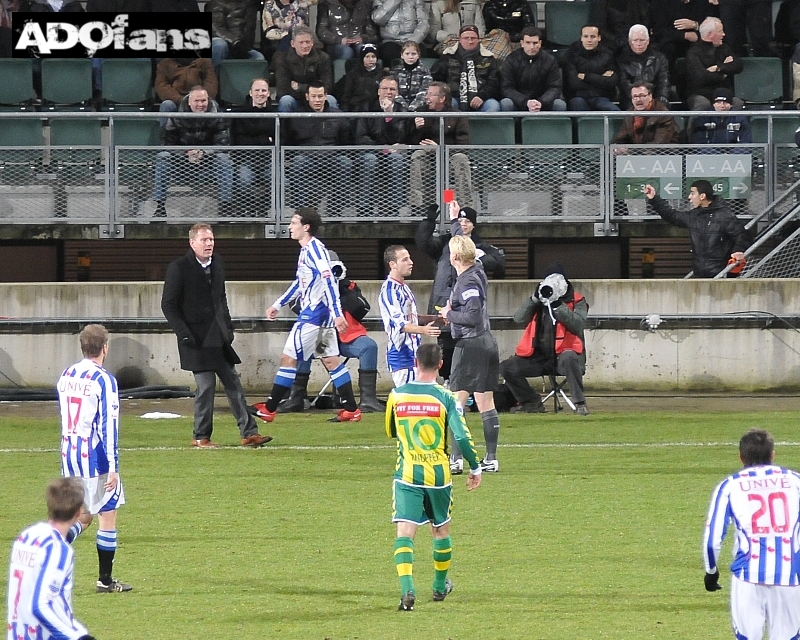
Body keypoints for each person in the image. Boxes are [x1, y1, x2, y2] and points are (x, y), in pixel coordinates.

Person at [385, 342, 482, 612]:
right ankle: (439, 587)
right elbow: (461, 436)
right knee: (440, 530)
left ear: (415, 362)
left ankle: (407, 589)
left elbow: (391, 431)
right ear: (441, 365)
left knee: (405, 531)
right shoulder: (446, 397)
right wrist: (475, 467)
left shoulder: (397, 395)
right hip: (438, 475)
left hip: (407, 473)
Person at [161, 223, 273, 448]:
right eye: (204, 240)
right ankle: (201, 436)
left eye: (211, 239)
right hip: (194, 339)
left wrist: (228, 327)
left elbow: (221, 299)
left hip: (217, 337)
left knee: (233, 382)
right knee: (206, 387)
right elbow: (168, 305)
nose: (209, 244)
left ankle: (249, 433)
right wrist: (184, 334)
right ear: (192, 243)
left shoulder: (218, 263)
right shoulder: (178, 268)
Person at [252, 207, 363, 423]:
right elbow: (301, 283)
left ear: (306, 227)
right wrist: (278, 304)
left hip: (314, 315)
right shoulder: (308, 250)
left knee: (289, 358)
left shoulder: (314, 250)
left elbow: (329, 279)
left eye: (293, 223)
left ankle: (270, 408)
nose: (289, 227)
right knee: (331, 360)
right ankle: (351, 409)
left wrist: (338, 313)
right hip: (323, 316)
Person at [703, 428, 800, 640]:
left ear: (741, 457)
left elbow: (712, 541)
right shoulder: (795, 482)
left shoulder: (730, 486)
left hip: (748, 578)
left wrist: (711, 571)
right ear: (772, 454)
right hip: (789, 577)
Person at [56, 324, 132, 593]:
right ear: (105, 348)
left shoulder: (66, 374)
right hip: (95, 457)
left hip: (69, 452)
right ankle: (105, 580)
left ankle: (48, 556)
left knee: (82, 516)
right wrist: (113, 467)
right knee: (107, 515)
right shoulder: (104, 380)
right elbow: (108, 427)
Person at [279, 251, 384, 413]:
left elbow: (362, 309)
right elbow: (295, 305)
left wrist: (342, 290)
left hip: (344, 337)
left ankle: (368, 400)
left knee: (369, 346)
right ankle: (296, 399)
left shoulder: (348, 286)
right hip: (319, 337)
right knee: (301, 347)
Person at [415, 200, 505, 382]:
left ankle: (465, 387)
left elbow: (498, 263)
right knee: (446, 346)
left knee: (466, 347)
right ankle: (450, 381)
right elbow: (424, 244)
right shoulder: (445, 243)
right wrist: (428, 222)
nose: (463, 225)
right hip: (443, 303)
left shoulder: (478, 249)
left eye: (467, 222)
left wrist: (479, 259)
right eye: (460, 222)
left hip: (463, 308)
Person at [439, 234, 502, 474]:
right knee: (486, 401)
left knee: (457, 403)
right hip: (486, 341)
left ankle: (455, 460)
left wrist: (449, 314)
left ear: (454, 257)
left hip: (471, 343)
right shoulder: (477, 271)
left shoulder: (467, 282)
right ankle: (491, 458)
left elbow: (472, 315)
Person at [7, 477, 98, 640]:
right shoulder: (58, 549)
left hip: (18, 633)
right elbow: (40, 606)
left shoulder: (26, 537)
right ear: (78, 512)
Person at [499, 264, 590, 415]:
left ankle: (580, 404)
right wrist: (534, 299)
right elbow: (519, 318)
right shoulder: (540, 300)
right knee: (507, 367)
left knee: (569, 356)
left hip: (565, 358)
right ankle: (531, 403)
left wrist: (557, 305)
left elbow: (578, 324)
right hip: (538, 357)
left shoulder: (578, 301)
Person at [151, 86, 234, 218]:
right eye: (197, 101)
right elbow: (166, 143)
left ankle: (226, 207)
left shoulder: (218, 117)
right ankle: (159, 207)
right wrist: (186, 152)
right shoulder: (176, 116)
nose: (200, 104)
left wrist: (203, 152)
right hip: (181, 165)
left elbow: (223, 144)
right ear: (189, 101)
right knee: (163, 156)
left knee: (223, 159)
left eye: (203, 101)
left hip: (208, 165)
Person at [644, 179, 750, 277]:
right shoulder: (694, 216)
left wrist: (738, 251)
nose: (689, 197)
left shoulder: (724, 216)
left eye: (692, 193)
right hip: (700, 275)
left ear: (702, 196)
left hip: (722, 276)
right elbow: (672, 215)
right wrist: (654, 199)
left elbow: (743, 236)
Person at [283, 82, 354, 213]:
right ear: (307, 96)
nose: (317, 100)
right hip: (306, 158)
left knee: (345, 162)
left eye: (320, 96)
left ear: (326, 96)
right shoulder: (297, 117)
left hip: (332, 158)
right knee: (297, 162)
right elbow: (288, 142)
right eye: (314, 96)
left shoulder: (338, 116)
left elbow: (347, 142)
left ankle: (335, 209)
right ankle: (302, 211)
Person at [379, 244, 442, 386]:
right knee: (407, 400)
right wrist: (424, 330)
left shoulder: (403, 287)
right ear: (392, 264)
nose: (411, 262)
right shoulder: (389, 291)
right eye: (405, 259)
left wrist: (434, 319)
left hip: (413, 352)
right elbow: (399, 324)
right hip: (401, 352)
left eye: (410, 258)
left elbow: (411, 317)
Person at [409, 82, 474, 208]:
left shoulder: (457, 116)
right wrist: (416, 128)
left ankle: (465, 207)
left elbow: (463, 145)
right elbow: (411, 142)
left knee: (461, 159)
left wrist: (439, 148)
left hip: (449, 158)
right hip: (428, 158)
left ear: (442, 98)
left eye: (431, 95)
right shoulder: (420, 112)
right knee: (417, 155)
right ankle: (416, 206)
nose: (427, 97)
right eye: (427, 94)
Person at [356, 76, 414, 214]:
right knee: (370, 160)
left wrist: (389, 115)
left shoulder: (402, 111)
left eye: (392, 89)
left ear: (397, 92)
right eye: (385, 88)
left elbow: (400, 137)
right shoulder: (366, 107)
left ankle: (393, 208)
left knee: (398, 160)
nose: (388, 92)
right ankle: (364, 208)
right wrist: (381, 148)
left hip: (393, 153)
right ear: (378, 91)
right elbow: (361, 136)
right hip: (371, 151)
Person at [431, 24, 502, 112]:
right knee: (447, 104)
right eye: (466, 38)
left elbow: (494, 83)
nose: (470, 41)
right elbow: (437, 80)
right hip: (454, 97)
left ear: (479, 40)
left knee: (493, 105)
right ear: (460, 39)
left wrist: (481, 96)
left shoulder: (488, 58)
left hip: (481, 98)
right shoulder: (447, 57)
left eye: (473, 38)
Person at [499, 26, 566, 112]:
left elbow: (555, 87)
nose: (532, 46)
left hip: (543, 102)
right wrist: (526, 102)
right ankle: (515, 126)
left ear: (540, 43)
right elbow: (507, 88)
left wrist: (541, 102)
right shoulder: (511, 60)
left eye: (535, 43)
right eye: (528, 43)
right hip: (519, 102)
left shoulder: (550, 60)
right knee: (506, 103)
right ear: (522, 43)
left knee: (560, 104)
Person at [685, 17, 743, 111]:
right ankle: (694, 126)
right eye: (720, 31)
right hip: (702, 94)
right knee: (703, 103)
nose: (723, 34)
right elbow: (702, 78)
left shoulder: (724, 48)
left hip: (724, 94)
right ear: (710, 34)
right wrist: (724, 74)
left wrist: (719, 67)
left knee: (737, 103)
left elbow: (738, 65)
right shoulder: (693, 52)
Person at [274, 26, 337, 113]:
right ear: (293, 44)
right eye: (301, 42)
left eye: (307, 42)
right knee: (286, 100)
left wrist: (299, 87)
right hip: (295, 100)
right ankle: (283, 127)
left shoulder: (323, 58)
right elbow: (283, 90)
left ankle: (331, 126)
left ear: (312, 43)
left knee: (331, 100)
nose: (305, 45)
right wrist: (312, 89)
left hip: (316, 99)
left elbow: (327, 87)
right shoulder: (282, 60)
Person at [231, 78, 276, 191]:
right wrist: (265, 139)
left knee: (282, 183)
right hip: (247, 160)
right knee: (243, 181)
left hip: (269, 161)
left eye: (263, 90)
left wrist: (253, 137)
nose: (260, 94)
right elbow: (240, 140)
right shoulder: (240, 114)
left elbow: (280, 139)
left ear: (269, 93)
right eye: (257, 90)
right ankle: (248, 208)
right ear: (250, 93)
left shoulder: (276, 114)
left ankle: (266, 207)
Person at [563, 24, 620, 112]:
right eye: (586, 36)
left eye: (593, 37)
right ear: (581, 38)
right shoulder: (571, 55)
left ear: (599, 38)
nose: (589, 40)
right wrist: (601, 78)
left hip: (602, 97)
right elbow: (574, 83)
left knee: (616, 113)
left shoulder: (608, 55)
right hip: (578, 97)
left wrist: (586, 77)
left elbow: (611, 82)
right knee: (577, 104)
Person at [616, 25, 671, 110]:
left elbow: (664, 81)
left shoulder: (660, 58)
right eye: (635, 40)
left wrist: (662, 96)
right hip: (631, 98)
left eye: (642, 40)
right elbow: (624, 83)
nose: (639, 44)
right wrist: (639, 97)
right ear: (630, 42)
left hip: (654, 96)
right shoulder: (622, 59)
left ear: (648, 41)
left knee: (663, 105)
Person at [650, 0, 718, 69]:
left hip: (698, 38)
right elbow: (659, 30)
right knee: (668, 47)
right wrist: (685, 35)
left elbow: (713, 23)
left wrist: (695, 25)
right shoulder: (661, 3)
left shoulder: (702, 2)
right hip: (672, 41)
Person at [209, 0, 266, 75]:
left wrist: (243, 47)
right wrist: (235, 42)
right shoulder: (216, 3)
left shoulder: (251, 4)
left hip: (243, 48)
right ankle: (214, 79)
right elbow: (216, 29)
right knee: (219, 44)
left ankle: (251, 85)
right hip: (226, 45)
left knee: (259, 58)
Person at [613, 82, 679, 145]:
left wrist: (636, 152)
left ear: (650, 96)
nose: (638, 99)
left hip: (664, 153)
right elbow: (621, 137)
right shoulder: (629, 114)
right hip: (638, 152)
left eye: (642, 96)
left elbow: (660, 143)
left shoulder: (663, 113)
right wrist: (618, 147)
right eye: (635, 96)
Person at [155, 57, 219, 121]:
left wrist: (200, 98)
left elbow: (211, 83)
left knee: (213, 104)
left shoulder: (205, 62)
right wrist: (180, 99)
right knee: (167, 105)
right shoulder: (164, 64)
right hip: (177, 100)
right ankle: (165, 130)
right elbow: (162, 85)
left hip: (200, 98)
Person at [371, 0, 430, 66]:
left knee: (417, 52)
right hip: (390, 40)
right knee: (389, 53)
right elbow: (377, 19)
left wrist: (412, 41)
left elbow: (424, 24)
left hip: (413, 38)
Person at [339, 42, 386, 111]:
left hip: (377, 109)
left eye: (373, 56)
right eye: (367, 56)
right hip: (356, 108)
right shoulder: (353, 74)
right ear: (362, 58)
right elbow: (347, 95)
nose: (371, 59)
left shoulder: (383, 74)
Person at [390, 40, 433, 111]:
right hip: (399, 105)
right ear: (402, 55)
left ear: (418, 55)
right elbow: (394, 91)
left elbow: (424, 92)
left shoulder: (425, 71)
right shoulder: (396, 71)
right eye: (407, 54)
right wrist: (404, 107)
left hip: (419, 105)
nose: (410, 56)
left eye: (413, 54)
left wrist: (412, 109)